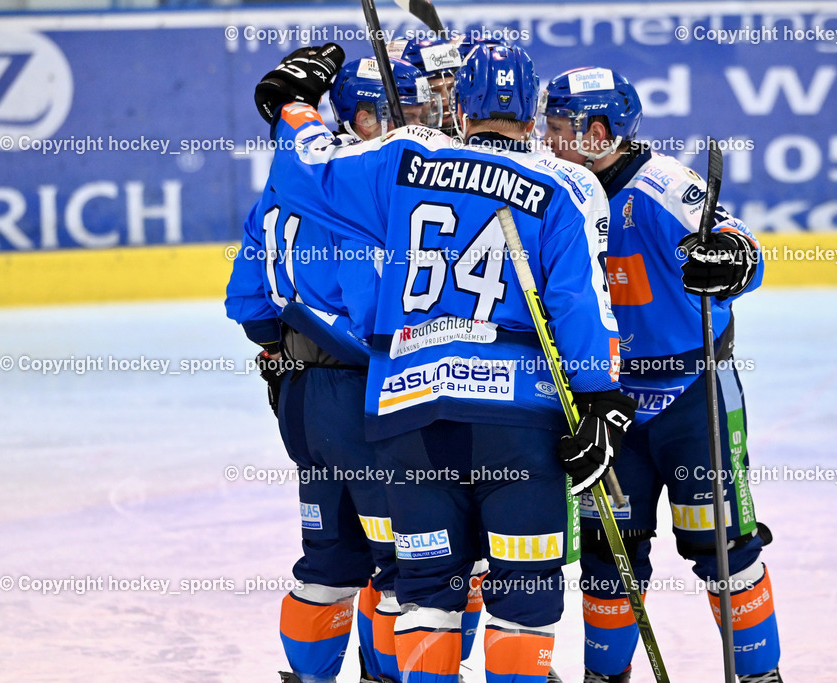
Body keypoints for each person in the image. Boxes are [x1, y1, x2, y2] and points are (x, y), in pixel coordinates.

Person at [260, 43, 636, 683]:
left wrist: (292, 108)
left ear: (458, 106)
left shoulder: (402, 159)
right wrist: (600, 398)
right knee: (523, 601)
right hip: (520, 422)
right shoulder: (568, 184)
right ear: (535, 115)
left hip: (410, 416)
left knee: (428, 594)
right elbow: (580, 303)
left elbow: (309, 173)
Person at [539, 67, 783, 683]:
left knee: (724, 548)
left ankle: (759, 676)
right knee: (608, 558)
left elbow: (736, 243)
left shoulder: (662, 185)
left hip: (690, 395)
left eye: (559, 127)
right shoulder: (557, 189)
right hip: (606, 404)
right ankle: (606, 675)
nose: (546, 137)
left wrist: (729, 260)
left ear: (599, 132)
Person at [226, 45, 440, 683]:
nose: (427, 114)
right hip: (368, 399)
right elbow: (379, 318)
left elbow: (248, 301)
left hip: (304, 399)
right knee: (406, 563)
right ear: (366, 117)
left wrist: (287, 353)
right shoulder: (374, 188)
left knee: (329, 559)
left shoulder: (288, 181)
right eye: (411, 104)